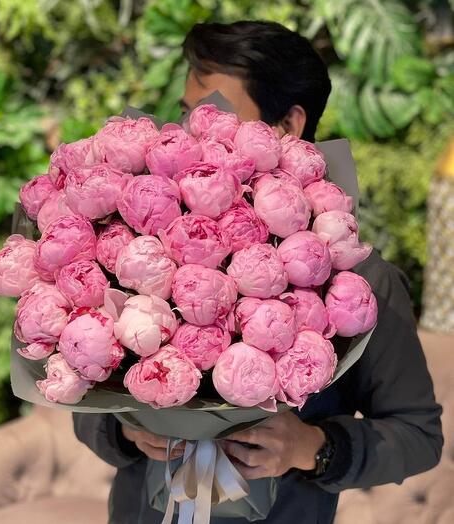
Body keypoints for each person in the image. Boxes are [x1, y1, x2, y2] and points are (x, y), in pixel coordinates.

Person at [73, 21, 443, 524]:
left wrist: (314, 447)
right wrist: (126, 430)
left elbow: (418, 435)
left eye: (215, 113)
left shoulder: (358, 284)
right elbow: (84, 400)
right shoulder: (133, 251)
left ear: (287, 127)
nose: (189, 131)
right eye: (186, 114)